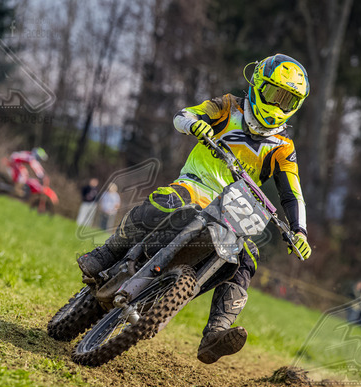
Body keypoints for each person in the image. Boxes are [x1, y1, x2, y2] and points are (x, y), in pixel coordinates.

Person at [77, 54, 312, 364]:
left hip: (234, 210)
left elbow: (293, 193)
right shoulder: (228, 106)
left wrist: (299, 231)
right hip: (196, 187)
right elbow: (183, 115)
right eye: (273, 93)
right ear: (258, 84)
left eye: (287, 100)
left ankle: (216, 332)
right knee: (165, 202)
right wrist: (195, 124)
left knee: (248, 257)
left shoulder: (283, 148)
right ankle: (107, 252)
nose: (278, 104)